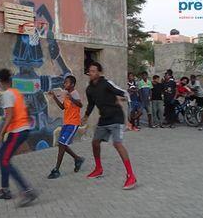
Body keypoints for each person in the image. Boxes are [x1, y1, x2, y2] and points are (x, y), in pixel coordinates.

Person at [83, 62, 137, 190]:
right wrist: (85, 116)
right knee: (95, 143)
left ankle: (131, 175)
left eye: (94, 71)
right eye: (90, 71)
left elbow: (122, 92)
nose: (91, 73)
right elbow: (91, 104)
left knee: (117, 144)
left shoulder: (106, 83)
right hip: (104, 119)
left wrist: (126, 101)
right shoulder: (89, 89)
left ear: (99, 72)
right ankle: (98, 168)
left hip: (116, 117)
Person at [0, 69, 38, 207]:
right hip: (20, 130)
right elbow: (25, 109)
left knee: (4, 159)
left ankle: (27, 190)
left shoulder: (7, 94)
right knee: (2, 156)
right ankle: (5, 190)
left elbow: (9, 116)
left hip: (18, 131)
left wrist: (0, 134)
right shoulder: (16, 92)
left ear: (0, 81)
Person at [46, 76, 85, 179]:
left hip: (73, 123)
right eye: (64, 82)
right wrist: (54, 97)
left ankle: (56, 170)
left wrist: (71, 97)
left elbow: (80, 105)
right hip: (66, 123)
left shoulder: (74, 93)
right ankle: (77, 159)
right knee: (61, 144)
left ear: (72, 84)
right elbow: (63, 107)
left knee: (62, 144)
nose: (64, 84)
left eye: (66, 82)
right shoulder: (65, 94)